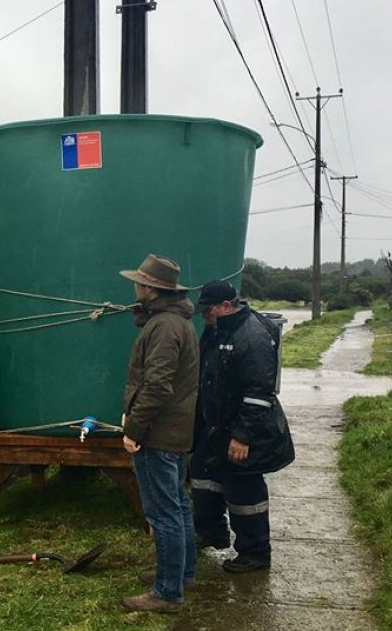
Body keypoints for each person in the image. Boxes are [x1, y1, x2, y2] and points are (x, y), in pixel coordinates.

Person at [190, 280, 295, 573]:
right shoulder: (216, 330)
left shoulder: (252, 336)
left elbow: (259, 392)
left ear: (226, 306)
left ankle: (255, 552)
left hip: (243, 430)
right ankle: (211, 531)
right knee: (203, 478)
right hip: (215, 427)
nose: (204, 317)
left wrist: (242, 436)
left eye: (208, 311)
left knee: (244, 491)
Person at [118, 254, 200, 613]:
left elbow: (157, 385)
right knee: (179, 506)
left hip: (158, 433)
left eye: (138, 281)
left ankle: (167, 592)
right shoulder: (174, 322)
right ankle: (181, 573)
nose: (134, 285)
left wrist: (134, 427)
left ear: (150, 288)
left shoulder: (164, 327)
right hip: (174, 430)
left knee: (163, 512)